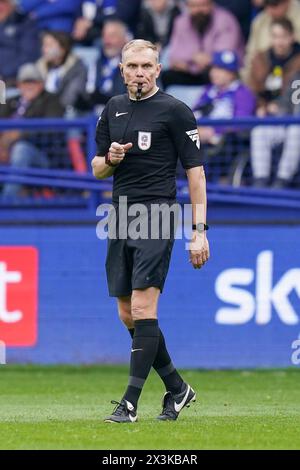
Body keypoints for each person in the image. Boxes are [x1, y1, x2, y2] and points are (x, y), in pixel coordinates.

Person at [92, 39, 209, 423]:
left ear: (158, 69)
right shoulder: (112, 108)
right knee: (128, 314)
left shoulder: (176, 111)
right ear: (121, 69)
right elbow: (96, 168)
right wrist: (111, 157)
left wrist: (200, 230)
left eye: (146, 66)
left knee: (144, 307)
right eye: (132, 66)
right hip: (120, 214)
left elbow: (196, 173)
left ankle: (128, 404)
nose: (139, 73)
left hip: (157, 214)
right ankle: (177, 388)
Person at [0, 63, 64, 198]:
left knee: (20, 149)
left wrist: (18, 136)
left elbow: (50, 129)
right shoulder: (10, 101)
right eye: (25, 82)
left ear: (41, 84)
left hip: (42, 155)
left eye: (33, 82)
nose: (29, 86)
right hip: (4, 150)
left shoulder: (51, 100)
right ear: (18, 85)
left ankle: (6, 202)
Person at [161, 0, 244, 88]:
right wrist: (194, 58)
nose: (198, 10)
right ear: (187, 7)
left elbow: (224, 56)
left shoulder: (226, 20)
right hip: (189, 71)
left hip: (215, 72)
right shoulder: (181, 21)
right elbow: (175, 54)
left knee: (214, 72)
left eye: (203, 5)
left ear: (212, 4)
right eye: (193, 6)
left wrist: (196, 61)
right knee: (166, 76)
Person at [251, 71, 300, 188]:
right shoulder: (297, 78)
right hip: (288, 124)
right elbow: (286, 103)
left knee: (295, 130)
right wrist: (276, 107)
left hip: (296, 129)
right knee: (260, 131)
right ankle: (260, 178)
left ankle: (283, 178)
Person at [247, 18, 300, 108]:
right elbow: (253, 90)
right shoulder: (260, 59)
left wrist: (280, 105)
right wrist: (262, 107)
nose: (279, 42)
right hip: (264, 111)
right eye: (275, 36)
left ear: (292, 37)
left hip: (292, 110)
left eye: (284, 36)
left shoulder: (298, 60)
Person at [243, 0, 300, 82]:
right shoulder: (260, 21)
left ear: (288, 2)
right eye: (266, 5)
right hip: (265, 82)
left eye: (274, 4)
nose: (269, 10)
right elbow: (250, 56)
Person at [36, 31, 87, 109]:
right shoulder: (39, 67)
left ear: (63, 48)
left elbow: (70, 97)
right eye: (43, 45)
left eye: (49, 45)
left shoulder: (77, 69)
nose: (43, 49)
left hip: (64, 115)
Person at [0, 0, 40, 85]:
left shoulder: (25, 23)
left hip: (11, 80)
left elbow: (29, 55)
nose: (0, 6)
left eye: (3, 2)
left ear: (12, 4)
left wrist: (4, 73)